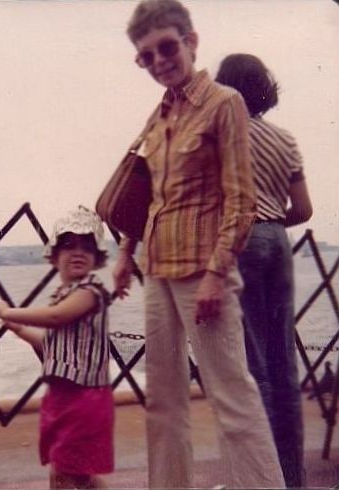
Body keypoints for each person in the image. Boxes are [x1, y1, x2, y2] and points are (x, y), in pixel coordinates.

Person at [111, 1, 285, 488]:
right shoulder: (158, 115)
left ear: (191, 41)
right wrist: (125, 253)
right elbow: (147, 193)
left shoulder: (224, 103)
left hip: (202, 271)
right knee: (163, 400)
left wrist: (216, 274)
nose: (159, 61)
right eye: (146, 56)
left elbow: (242, 200)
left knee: (231, 396)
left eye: (166, 47)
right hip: (157, 270)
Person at [215, 53, 313, 488]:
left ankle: (261, 480)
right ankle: (292, 478)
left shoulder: (223, 135)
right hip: (278, 243)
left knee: (251, 365)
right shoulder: (285, 139)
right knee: (283, 366)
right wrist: (271, 223)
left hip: (241, 241)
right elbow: (304, 209)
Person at [0, 206, 114, 490]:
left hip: (83, 399)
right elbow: (52, 345)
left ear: (97, 259)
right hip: (64, 396)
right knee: (74, 471)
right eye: (69, 246)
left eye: (87, 247)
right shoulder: (65, 295)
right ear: (55, 257)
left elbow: (55, 318)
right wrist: (18, 329)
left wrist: (8, 312)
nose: (78, 252)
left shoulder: (89, 292)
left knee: (65, 471)